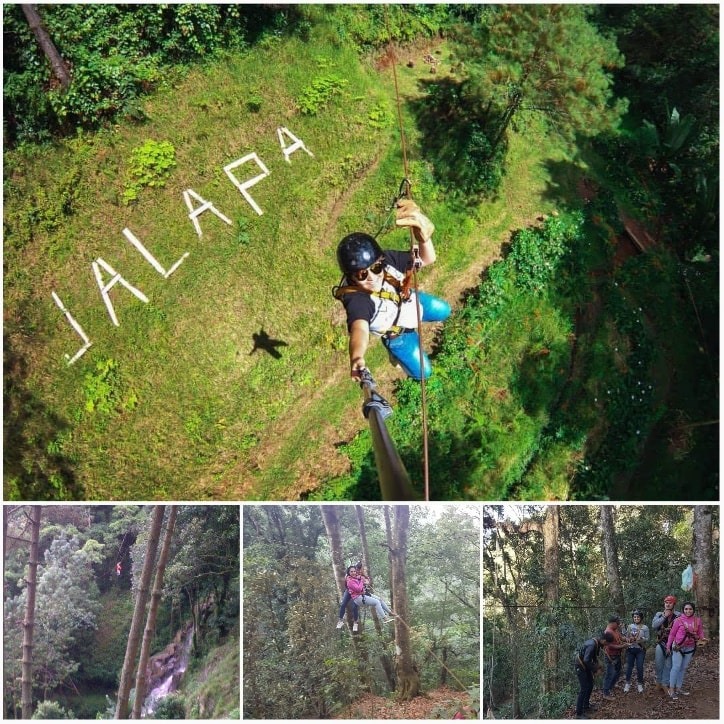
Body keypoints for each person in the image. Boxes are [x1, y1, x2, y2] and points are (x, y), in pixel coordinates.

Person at [333, 199, 451, 381]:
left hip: (409, 305)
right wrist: (357, 357)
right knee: (424, 372)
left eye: (376, 268)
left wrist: (423, 238)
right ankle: (396, 353)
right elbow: (360, 329)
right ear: (350, 276)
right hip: (396, 333)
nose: (372, 277)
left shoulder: (386, 260)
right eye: (362, 274)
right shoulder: (356, 299)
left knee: (444, 310)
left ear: (380, 261)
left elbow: (428, 259)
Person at [666, 601, 705, 699]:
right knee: (676, 666)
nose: (688, 611)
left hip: (690, 647)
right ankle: (671, 689)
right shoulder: (678, 620)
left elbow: (700, 633)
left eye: (690, 609)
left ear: (693, 610)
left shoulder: (697, 620)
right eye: (686, 609)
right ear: (683, 610)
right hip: (678, 646)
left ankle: (678, 688)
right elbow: (672, 634)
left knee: (683, 668)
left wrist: (702, 639)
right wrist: (668, 646)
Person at [574, 631, 614, 719]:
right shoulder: (592, 645)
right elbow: (586, 660)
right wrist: (595, 670)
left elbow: (593, 657)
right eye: (607, 643)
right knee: (584, 689)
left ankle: (586, 706)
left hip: (585, 666)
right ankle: (579, 714)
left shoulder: (597, 643)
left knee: (590, 685)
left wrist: (598, 665)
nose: (606, 645)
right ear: (604, 640)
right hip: (580, 666)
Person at [651, 595, 680, 691]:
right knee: (659, 663)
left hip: (672, 644)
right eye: (666, 603)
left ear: (674, 604)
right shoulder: (659, 614)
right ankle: (659, 682)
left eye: (670, 603)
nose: (668, 604)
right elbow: (654, 625)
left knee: (668, 664)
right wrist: (664, 616)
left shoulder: (678, 615)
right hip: (661, 642)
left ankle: (665, 683)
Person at [601, 616, 628, 699]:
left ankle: (611, 686)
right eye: (617, 623)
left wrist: (627, 639)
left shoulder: (615, 630)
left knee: (618, 672)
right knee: (610, 673)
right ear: (612, 623)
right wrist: (622, 646)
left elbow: (620, 637)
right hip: (610, 656)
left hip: (617, 655)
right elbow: (610, 646)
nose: (619, 625)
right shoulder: (608, 632)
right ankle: (606, 693)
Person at [623, 609, 649, 693]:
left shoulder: (645, 627)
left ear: (641, 618)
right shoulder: (630, 626)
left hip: (640, 649)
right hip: (630, 649)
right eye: (634, 617)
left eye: (638, 617)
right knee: (629, 667)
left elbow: (647, 638)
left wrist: (642, 639)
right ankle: (627, 684)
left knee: (639, 667)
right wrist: (623, 629)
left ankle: (640, 684)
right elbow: (626, 636)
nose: (636, 618)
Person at [336, 564, 361, 632]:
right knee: (343, 604)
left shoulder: (359, 576)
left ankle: (355, 623)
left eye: (354, 571)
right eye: (351, 572)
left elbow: (364, 581)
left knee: (354, 606)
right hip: (349, 591)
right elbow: (346, 585)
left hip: (355, 593)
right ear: (349, 572)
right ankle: (340, 620)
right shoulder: (347, 577)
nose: (353, 573)